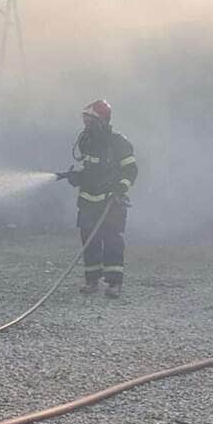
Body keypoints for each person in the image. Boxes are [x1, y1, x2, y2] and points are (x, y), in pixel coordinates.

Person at [61, 100, 138, 298]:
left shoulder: (118, 142)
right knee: (89, 240)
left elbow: (131, 170)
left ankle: (114, 284)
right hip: (88, 201)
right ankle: (92, 280)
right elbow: (90, 171)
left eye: (90, 119)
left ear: (101, 120)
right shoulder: (87, 141)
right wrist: (76, 177)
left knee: (112, 240)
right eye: (85, 119)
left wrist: (121, 188)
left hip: (112, 202)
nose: (86, 123)